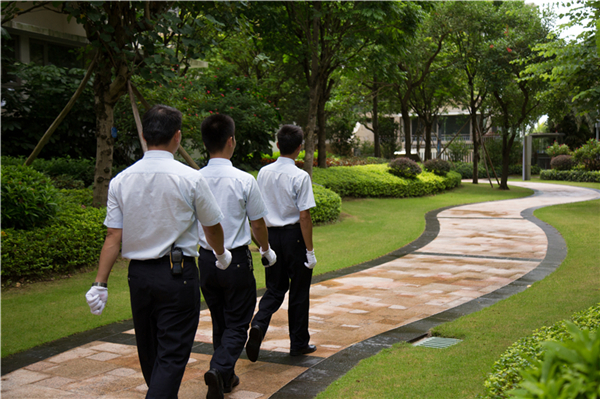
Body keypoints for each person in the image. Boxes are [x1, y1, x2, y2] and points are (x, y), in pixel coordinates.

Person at [85, 104, 232, 399]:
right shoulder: (190, 177)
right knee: (172, 355)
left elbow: (114, 235)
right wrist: (220, 254)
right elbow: (212, 226)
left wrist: (99, 283)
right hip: (177, 276)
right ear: (177, 137)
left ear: (143, 135)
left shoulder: (121, 180)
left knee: (151, 352)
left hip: (138, 277)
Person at [197, 114, 276, 399]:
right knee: (239, 321)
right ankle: (218, 369)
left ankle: (225, 379)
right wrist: (266, 251)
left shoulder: (194, 178)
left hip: (205, 259)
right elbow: (257, 224)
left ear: (206, 142)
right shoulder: (244, 179)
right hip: (237, 259)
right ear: (231, 141)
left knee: (220, 319)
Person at [245, 124, 317, 363]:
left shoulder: (263, 173)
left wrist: (261, 242)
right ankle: (298, 343)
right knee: (298, 290)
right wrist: (310, 250)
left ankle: (259, 323)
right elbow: (304, 216)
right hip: (294, 237)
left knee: (275, 289)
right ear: (300, 148)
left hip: (271, 237)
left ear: (277, 145)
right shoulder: (300, 176)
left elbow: (256, 211)